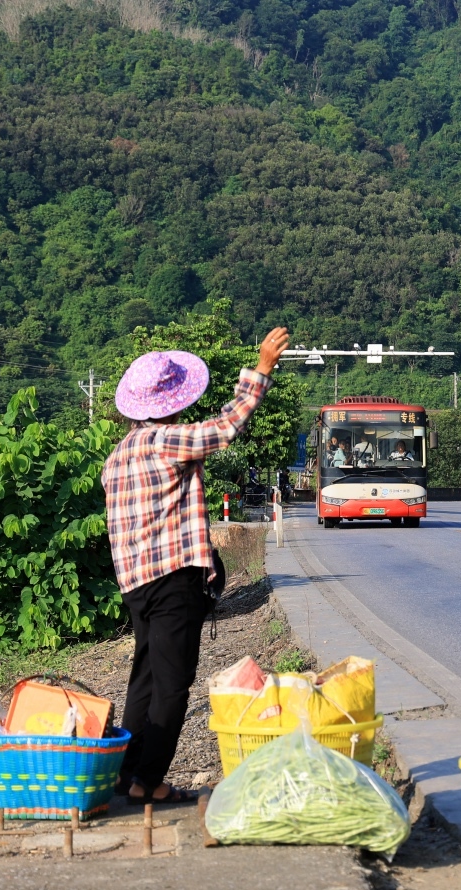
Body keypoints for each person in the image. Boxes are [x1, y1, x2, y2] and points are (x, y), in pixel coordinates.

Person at [103, 326, 290, 805]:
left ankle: (126, 774)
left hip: (136, 585)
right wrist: (262, 368)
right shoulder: (165, 442)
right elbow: (226, 427)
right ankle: (149, 782)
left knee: (144, 678)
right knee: (173, 684)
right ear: (170, 403)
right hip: (172, 581)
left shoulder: (118, 455)